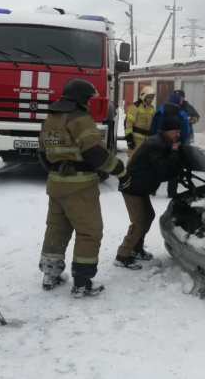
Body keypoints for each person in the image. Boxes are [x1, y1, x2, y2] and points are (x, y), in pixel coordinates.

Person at [38, 79, 130, 298]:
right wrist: (120, 170)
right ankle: (82, 282)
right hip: (79, 186)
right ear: (80, 98)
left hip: (56, 185)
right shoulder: (80, 119)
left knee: (56, 230)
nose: (90, 102)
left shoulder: (49, 121)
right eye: (88, 98)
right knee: (89, 231)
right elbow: (95, 154)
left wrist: (59, 168)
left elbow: (43, 157)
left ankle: (50, 275)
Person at [115, 117, 183, 269]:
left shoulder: (162, 143)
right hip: (133, 187)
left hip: (141, 187)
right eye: (176, 131)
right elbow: (162, 167)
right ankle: (122, 255)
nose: (178, 134)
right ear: (167, 130)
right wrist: (174, 154)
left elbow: (160, 172)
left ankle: (137, 249)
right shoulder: (156, 144)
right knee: (139, 221)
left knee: (148, 216)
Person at [166, 89, 200, 197]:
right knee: (173, 160)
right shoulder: (171, 107)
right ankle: (173, 180)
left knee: (185, 158)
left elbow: (196, 117)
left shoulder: (188, 107)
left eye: (180, 97)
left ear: (183, 98)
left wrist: (192, 120)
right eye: (177, 97)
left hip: (185, 138)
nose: (179, 99)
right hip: (174, 138)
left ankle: (185, 177)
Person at [125, 86, 155, 161]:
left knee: (145, 160)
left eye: (152, 97)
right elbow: (128, 124)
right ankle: (129, 173)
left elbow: (153, 124)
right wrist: (129, 139)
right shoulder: (135, 107)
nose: (150, 99)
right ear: (143, 96)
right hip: (136, 140)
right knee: (133, 159)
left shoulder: (151, 108)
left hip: (147, 140)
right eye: (148, 97)